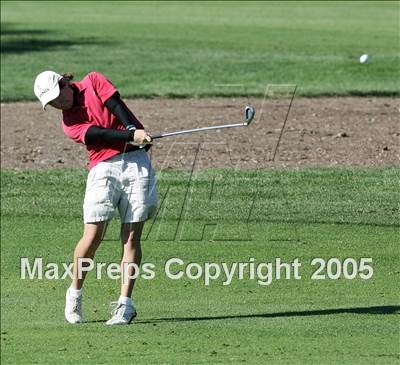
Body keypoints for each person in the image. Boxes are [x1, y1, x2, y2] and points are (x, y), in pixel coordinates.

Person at [33, 70, 158, 325]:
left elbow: (116, 106)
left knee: (132, 236)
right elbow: (100, 134)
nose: (60, 104)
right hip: (103, 168)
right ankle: (75, 293)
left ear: (64, 83)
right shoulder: (69, 124)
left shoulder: (93, 81)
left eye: (59, 96)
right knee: (92, 235)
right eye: (53, 103)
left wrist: (134, 129)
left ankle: (125, 305)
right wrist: (130, 136)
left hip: (136, 163)